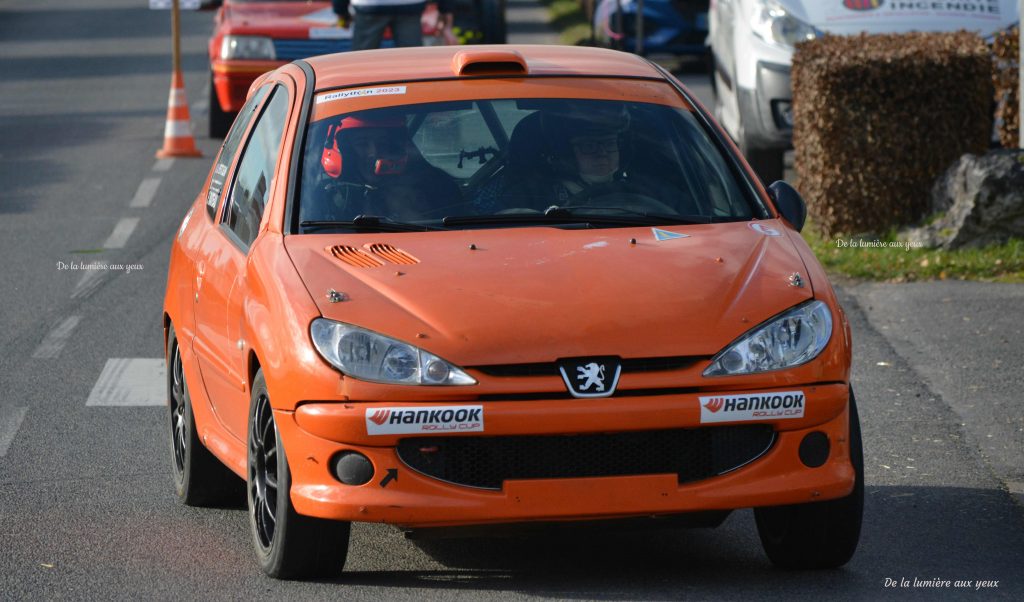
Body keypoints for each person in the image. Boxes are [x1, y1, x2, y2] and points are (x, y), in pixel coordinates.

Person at [500, 103, 685, 213]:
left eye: (610, 144)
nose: (602, 153)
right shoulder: (531, 194)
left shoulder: (648, 190)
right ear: (566, 154)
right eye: (589, 146)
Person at [312, 114, 461, 222]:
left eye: (382, 143)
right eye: (362, 144)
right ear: (347, 151)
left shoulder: (434, 185)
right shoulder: (329, 197)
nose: (374, 153)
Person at [332, 0, 454, 50]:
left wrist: (341, 11)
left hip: (370, 6)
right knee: (412, 61)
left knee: (361, 61)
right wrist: (445, 9)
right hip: (409, 6)